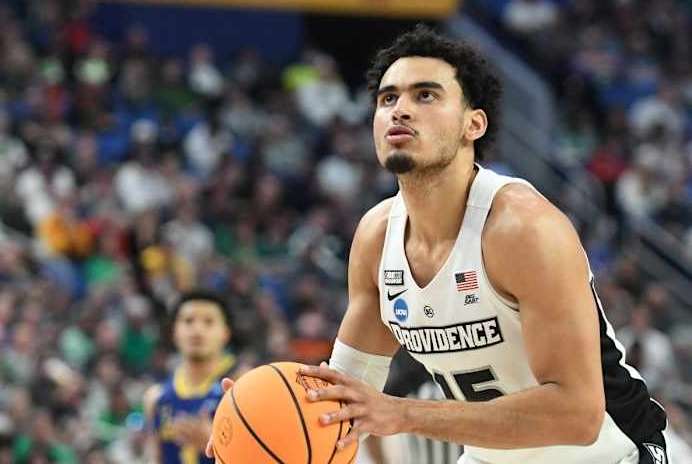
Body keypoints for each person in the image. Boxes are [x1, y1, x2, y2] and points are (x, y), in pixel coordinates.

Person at [207, 25, 670, 464]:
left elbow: (579, 415)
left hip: (612, 454)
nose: (399, 110)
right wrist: (257, 416)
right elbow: (348, 398)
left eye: (425, 94)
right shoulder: (375, 239)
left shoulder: (522, 229)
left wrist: (403, 413)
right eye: (387, 98)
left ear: (474, 124)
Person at [145, 291, 238, 464]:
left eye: (208, 322)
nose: (197, 329)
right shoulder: (156, 397)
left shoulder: (244, 385)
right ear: (175, 332)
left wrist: (216, 446)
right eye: (188, 321)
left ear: (225, 333)